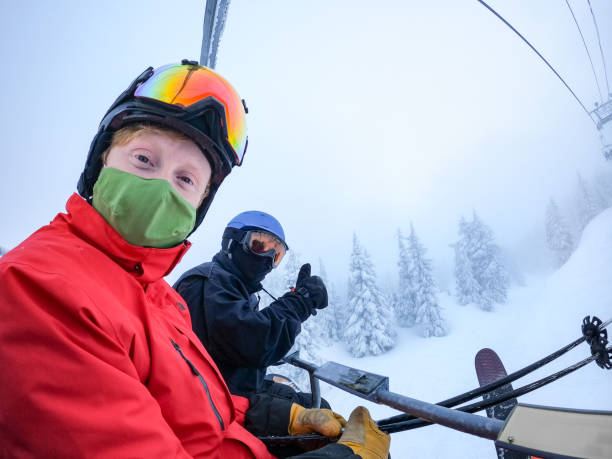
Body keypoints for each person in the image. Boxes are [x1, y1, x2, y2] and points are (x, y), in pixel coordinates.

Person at [0, 60, 390, 458]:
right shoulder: (40, 290)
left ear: (198, 206)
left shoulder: (155, 295)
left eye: (185, 180)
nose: (160, 188)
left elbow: (199, 407)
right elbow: (251, 343)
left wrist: (285, 417)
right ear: (101, 160)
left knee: (317, 409)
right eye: (143, 160)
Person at [174, 211, 329, 406]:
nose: (268, 258)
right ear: (232, 242)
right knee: (316, 411)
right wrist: (299, 302)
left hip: (231, 388)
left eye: (276, 254)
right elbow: (251, 342)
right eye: (259, 245)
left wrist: (297, 306)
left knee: (316, 404)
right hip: (213, 401)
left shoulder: (234, 287)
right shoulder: (208, 282)